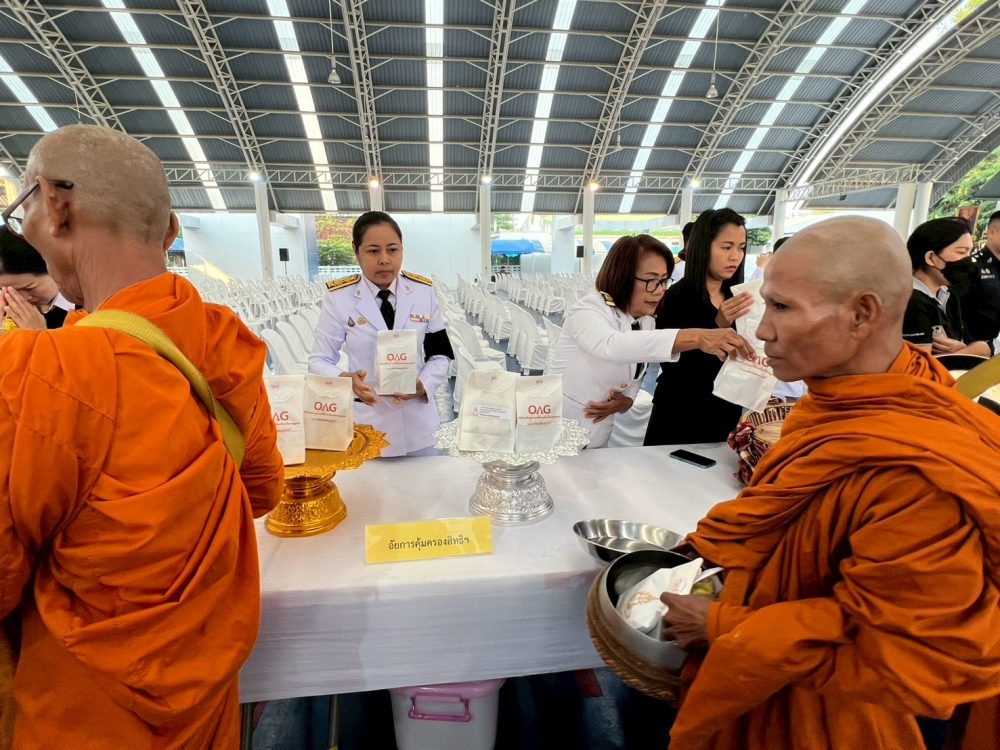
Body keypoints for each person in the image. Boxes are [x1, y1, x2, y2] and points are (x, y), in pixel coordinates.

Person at [658, 216, 1000, 750]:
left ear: (862, 313)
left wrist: (724, 626)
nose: (763, 331)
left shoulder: (915, 471)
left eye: (782, 308)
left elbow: (898, 653)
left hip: (835, 720)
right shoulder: (850, 398)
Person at [0, 124, 284, 749]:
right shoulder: (223, 338)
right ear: (172, 230)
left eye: (21, 212)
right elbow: (262, 490)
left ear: (56, 205)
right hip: (206, 688)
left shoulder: (39, 373)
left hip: (83, 712)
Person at [547, 234, 752, 448]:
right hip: (560, 427)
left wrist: (628, 399)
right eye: (651, 280)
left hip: (598, 434)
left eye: (663, 281)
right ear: (622, 277)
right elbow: (611, 345)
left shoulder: (645, 320)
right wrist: (697, 337)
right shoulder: (588, 309)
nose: (660, 290)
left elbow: (638, 365)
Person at [309, 211, 453, 457]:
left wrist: (424, 384)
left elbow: (440, 354)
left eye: (393, 250)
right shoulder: (339, 298)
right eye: (373, 251)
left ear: (402, 250)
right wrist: (344, 379)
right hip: (369, 426)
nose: (385, 260)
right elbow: (319, 360)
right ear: (356, 251)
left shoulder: (423, 292)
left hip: (418, 426)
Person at [644, 208, 753, 446]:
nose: (735, 256)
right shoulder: (676, 297)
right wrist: (717, 325)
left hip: (725, 410)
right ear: (703, 247)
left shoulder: (739, 297)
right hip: (681, 414)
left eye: (741, 247)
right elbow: (673, 364)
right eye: (726, 247)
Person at [903, 217, 991, 358]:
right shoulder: (912, 301)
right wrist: (978, 350)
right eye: (961, 252)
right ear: (931, 257)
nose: (968, 260)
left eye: (970, 252)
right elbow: (919, 364)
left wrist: (968, 349)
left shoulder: (947, 294)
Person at [0, 226, 74, 329]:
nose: (22, 298)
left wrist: (39, 335)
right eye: (3, 289)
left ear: (55, 269)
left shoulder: (88, 306)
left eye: (29, 288)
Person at [961, 209, 1000, 343]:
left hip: (992, 341)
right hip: (967, 343)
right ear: (991, 233)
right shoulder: (972, 265)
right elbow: (955, 308)